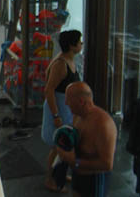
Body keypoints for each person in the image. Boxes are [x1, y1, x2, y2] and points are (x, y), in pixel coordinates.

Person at [57, 81, 117, 197]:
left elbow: (107, 164)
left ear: (81, 102)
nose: (66, 103)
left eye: (68, 99)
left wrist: (75, 162)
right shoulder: (77, 115)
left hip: (94, 179)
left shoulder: (103, 125)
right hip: (78, 174)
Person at [42, 29, 82, 192]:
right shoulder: (60, 64)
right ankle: (50, 179)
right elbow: (48, 90)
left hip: (66, 108)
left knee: (64, 145)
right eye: (79, 42)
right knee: (57, 146)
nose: (81, 44)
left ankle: (59, 173)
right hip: (58, 108)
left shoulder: (69, 60)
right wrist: (56, 115)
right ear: (72, 46)